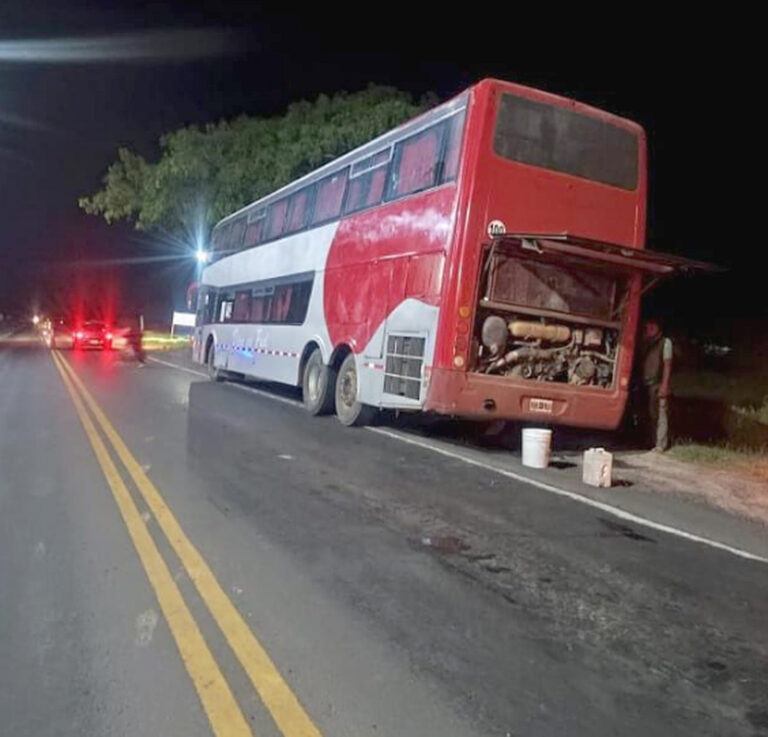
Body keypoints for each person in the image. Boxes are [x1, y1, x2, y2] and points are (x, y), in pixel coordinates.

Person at [637, 317, 673, 451]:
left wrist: (664, 385)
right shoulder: (646, 343)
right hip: (647, 383)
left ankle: (660, 444)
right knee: (650, 414)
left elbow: (667, 365)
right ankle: (650, 441)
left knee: (660, 414)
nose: (649, 329)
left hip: (658, 383)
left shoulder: (665, 343)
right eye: (648, 326)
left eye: (653, 326)